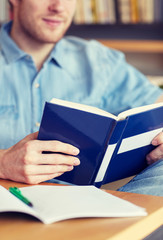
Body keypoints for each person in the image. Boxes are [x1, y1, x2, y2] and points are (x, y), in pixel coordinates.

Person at [0, 0, 163, 195]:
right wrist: (3, 163)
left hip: (83, 207)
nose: (59, 7)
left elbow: (158, 106)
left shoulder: (99, 60)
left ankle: (118, 219)